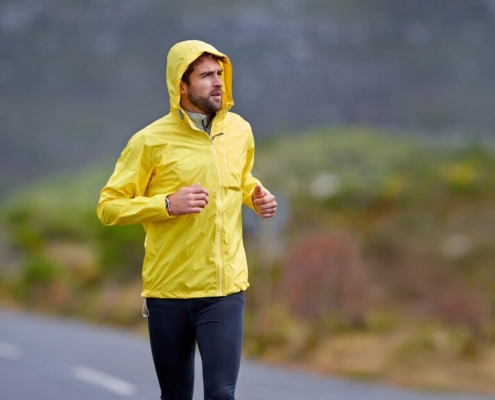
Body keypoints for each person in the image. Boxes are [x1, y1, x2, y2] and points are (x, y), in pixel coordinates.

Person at [97, 40, 277, 400]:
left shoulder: (239, 130)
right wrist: (166, 204)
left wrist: (256, 195)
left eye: (220, 74)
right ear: (182, 84)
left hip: (223, 289)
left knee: (221, 394)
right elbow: (109, 207)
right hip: (169, 291)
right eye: (207, 75)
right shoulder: (149, 141)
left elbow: (239, 177)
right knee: (176, 395)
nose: (218, 83)